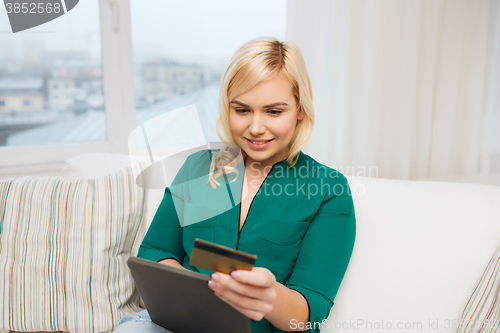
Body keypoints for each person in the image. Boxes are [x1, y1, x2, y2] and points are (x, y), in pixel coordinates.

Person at [113, 36, 356, 333]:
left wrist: (271, 298)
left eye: (274, 111)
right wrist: (192, 297)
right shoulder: (199, 168)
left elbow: (311, 308)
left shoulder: (327, 189)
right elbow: (154, 250)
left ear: (300, 109)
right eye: (242, 110)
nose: (255, 127)